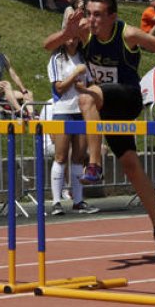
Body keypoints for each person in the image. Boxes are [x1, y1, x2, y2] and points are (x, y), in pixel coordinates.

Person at [44, 0, 155, 260]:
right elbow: (47, 45)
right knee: (131, 165)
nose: (92, 19)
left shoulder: (128, 34)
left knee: (86, 96)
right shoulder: (85, 31)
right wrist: (67, 32)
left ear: (113, 16)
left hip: (129, 97)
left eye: (98, 14)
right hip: (105, 108)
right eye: (89, 13)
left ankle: (94, 165)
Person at [46, 34, 99, 216]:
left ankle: (78, 201)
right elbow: (58, 88)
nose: (72, 40)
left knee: (78, 156)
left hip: (81, 111)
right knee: (60, 156)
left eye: (76, 37)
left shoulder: (84, 58)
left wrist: (86, 89)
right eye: (69, 37)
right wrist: (76, 73)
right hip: (63, 110)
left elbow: (91, 84)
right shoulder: (56, 59)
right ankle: (56, 202)